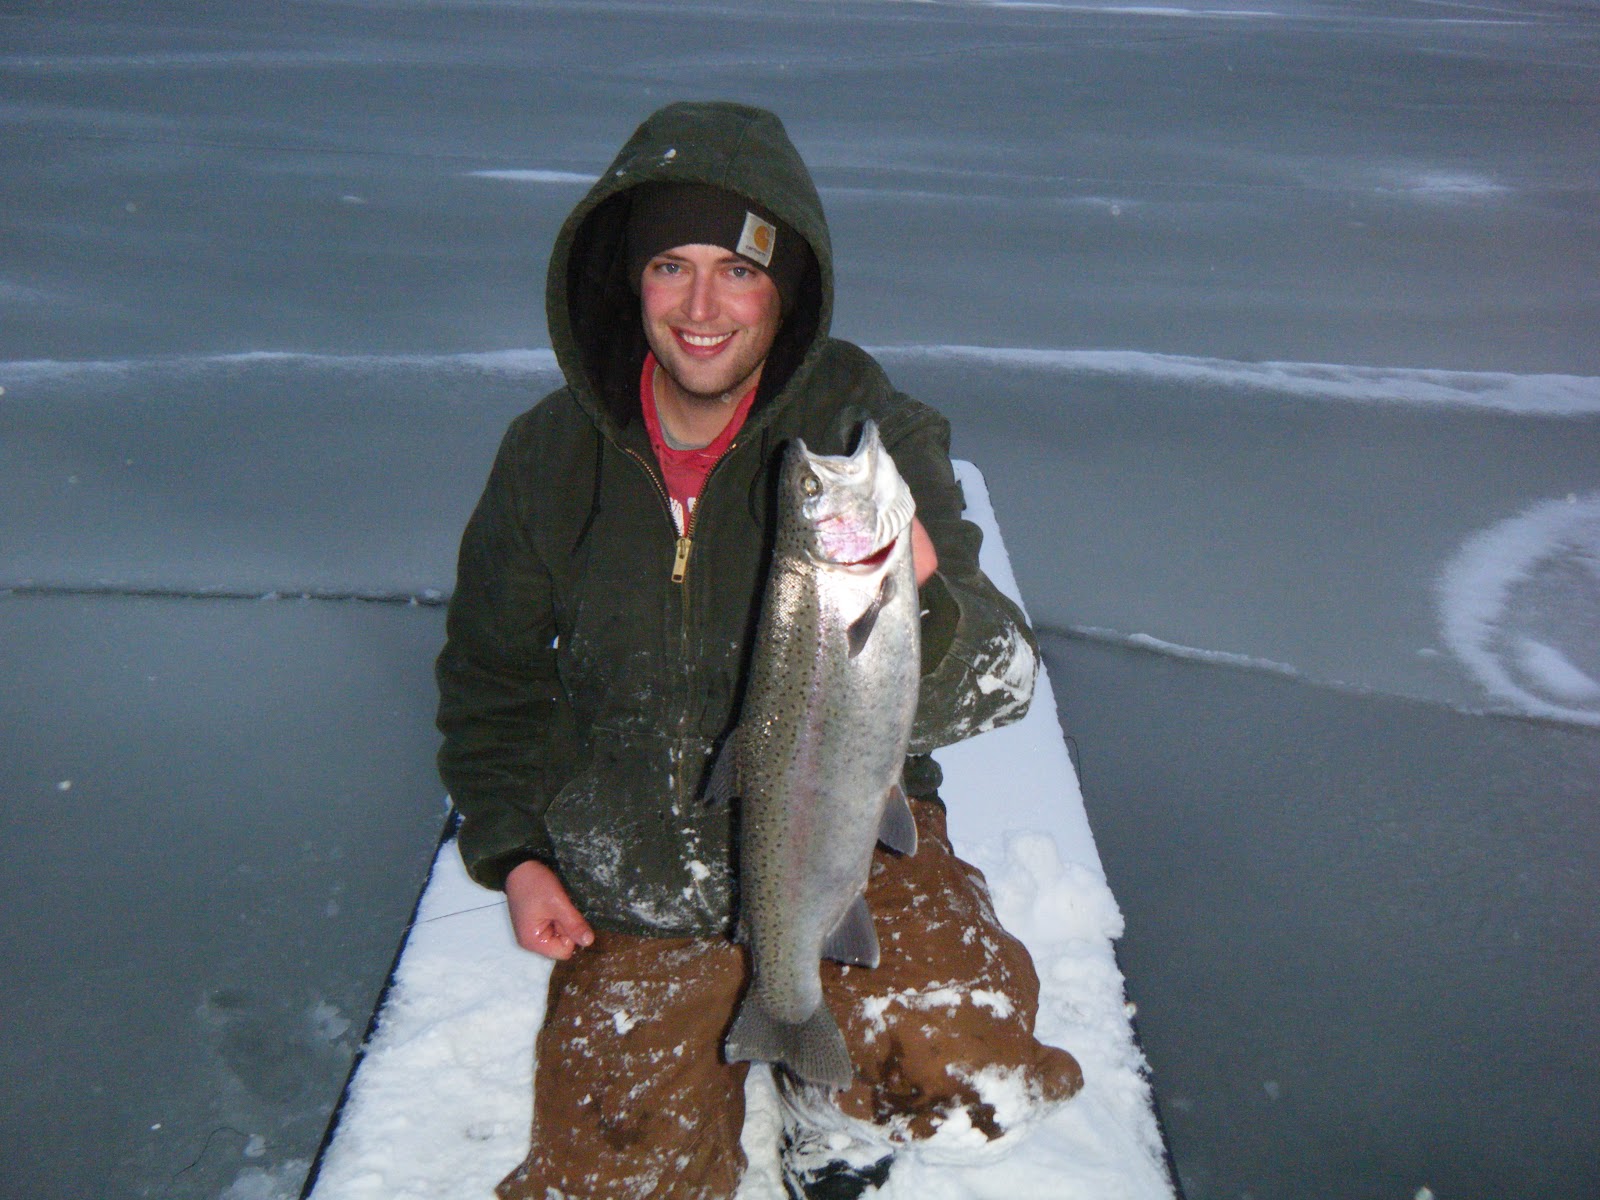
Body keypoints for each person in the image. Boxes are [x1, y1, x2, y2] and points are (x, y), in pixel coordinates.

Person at [436, 100, 1081, 1200]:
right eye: (668, 268)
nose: (700, 307)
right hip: (637, 863)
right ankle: (761, 1032)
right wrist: (516, 849)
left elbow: (1001, 682)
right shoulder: (548, 455)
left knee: (958, 1069)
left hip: (848, 832)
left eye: (736, 270)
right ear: (625, 281)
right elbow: (489, 679)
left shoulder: (860, 430)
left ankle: (829, 1119)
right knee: (609, 1186)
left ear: (786, 287)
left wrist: (923, 598)